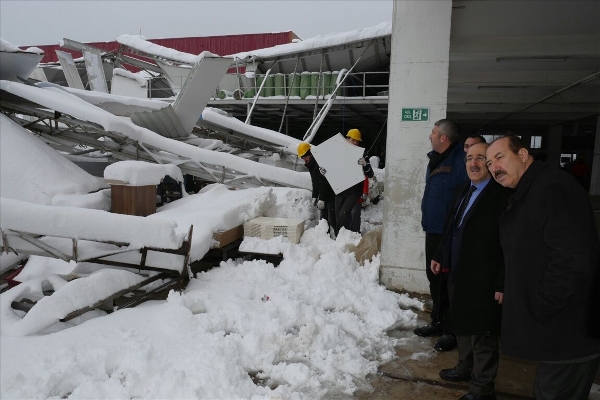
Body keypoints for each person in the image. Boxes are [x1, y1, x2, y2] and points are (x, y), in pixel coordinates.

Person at [486, 135, 600, 400]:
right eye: (490, 163)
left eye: (500, 158)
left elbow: (573, 262)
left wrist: (540, 307)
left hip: (569, 332)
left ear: (523, 154)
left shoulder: (552, 188)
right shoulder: (533, 188)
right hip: (558, 332)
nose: (494, 168)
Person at [431, 143, 512, 400]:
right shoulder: (462, 190)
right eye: (469, 159)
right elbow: (451, 229)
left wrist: (503, 281)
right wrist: (439, 255)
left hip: (484, 278)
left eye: (480, 158)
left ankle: (482, 389)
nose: (473, 164)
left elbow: (509, 244)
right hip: (457, 271)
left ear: (489, 164)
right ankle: (465, 367)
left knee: (483, 334)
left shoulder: (502, 196)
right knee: (461, 325)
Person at [415, 119, 468, 352]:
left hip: (449, 233)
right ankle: (438, 321)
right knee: (434, 277)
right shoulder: (436, 159)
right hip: (433, 228)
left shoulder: (459, 162)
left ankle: (451, 330)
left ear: (444, 138)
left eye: (434, 132)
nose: (430, 136)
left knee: (448, 283)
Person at [332, 129, 373, 234]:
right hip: (341, 188)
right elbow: (332, 168)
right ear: (347, 139)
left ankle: (348, 235)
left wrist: (365, 164)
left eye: (357, 141)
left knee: (344, 214)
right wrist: (324, 171)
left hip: (354, 190)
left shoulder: (362, 153)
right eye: (353, 140)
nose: (355, 143)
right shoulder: (339, 152)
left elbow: (370, 174)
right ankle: (338, 238)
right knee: (337, 215)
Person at [297, 142, 336, 234]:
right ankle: (324, 237)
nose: (304, 159)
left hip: (331, 194)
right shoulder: (311, 165)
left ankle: (339, 238)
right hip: (323, 194)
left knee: (332, 219)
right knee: (323, 220)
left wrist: (322, 198)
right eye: (302, 157)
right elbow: (315, 182)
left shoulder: (319, 163)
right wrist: (315, 196)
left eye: (304, 156)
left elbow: (324, 181)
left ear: (310, 154)